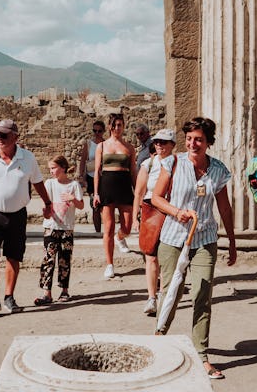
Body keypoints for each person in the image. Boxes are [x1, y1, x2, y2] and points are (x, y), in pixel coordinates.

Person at [151, 117, 237, 380]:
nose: (192, 143)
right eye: (189, 138)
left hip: (205, 239)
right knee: (171, 293)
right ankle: (158, 341)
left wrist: (232, 241)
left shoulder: (219, 170)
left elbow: (224, 207)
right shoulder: (172, 163)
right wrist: (177, 212)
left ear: (208, 142)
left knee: (202, 294)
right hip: (173, 238)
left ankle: (201, 355)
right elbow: (155, 198)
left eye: (198, 139)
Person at [0, 119, 52, 317]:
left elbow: (38, 182)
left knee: (14, 257)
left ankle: (9, 296)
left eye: (4, 135)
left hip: (17, 215)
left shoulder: (27, 158)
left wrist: (48, 203)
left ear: (15, 137)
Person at [132, 128, 177, 316]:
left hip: (172, 212)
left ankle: (167, 293)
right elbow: (139, 192)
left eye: (163, 142)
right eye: (157, 141)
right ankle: (152, 298)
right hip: (151, 211)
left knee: (169, 256)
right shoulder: (148, 164)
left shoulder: (179, 164)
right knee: (150, 255)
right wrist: (136, 215)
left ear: (172, 145)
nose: (159, 145)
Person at [34, 156, 84, 306]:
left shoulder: (74, 185)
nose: (51, 171)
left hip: (67, 228)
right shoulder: (49, 183)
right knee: (48, 259)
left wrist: (72, 199)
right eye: (50, 168)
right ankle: (46, 293)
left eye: (54, 168)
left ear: (63, 168)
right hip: (51, 227)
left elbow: (81, 205)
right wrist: (45, 212)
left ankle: (64, 290)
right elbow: (46, 207)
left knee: (65, 259)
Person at [93, 112, 137, 278]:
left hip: (125, 186)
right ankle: (110, 264)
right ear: (110, 126)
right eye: (115, 125)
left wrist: (138, 194)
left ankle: (120, 238)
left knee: (127, 226)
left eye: (120, 125)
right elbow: (97, 171)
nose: (117, 128)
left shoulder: (129, 147)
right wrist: (96, 193)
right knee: (108, 227)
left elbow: (133, 172)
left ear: (124, 126)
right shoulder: (102, 146)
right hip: (107, 187)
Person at [77, 120, 106, 233]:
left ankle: (107, 230)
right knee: (95, 205)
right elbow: (83, 161)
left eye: (99, 131)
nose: (97, 133)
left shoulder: (106, 144)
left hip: (103, 177)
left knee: (105, 206)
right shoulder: (88, 144)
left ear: (103, 131)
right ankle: (98, 231)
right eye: (94, 130)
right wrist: (82, 177)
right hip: (91, 176)